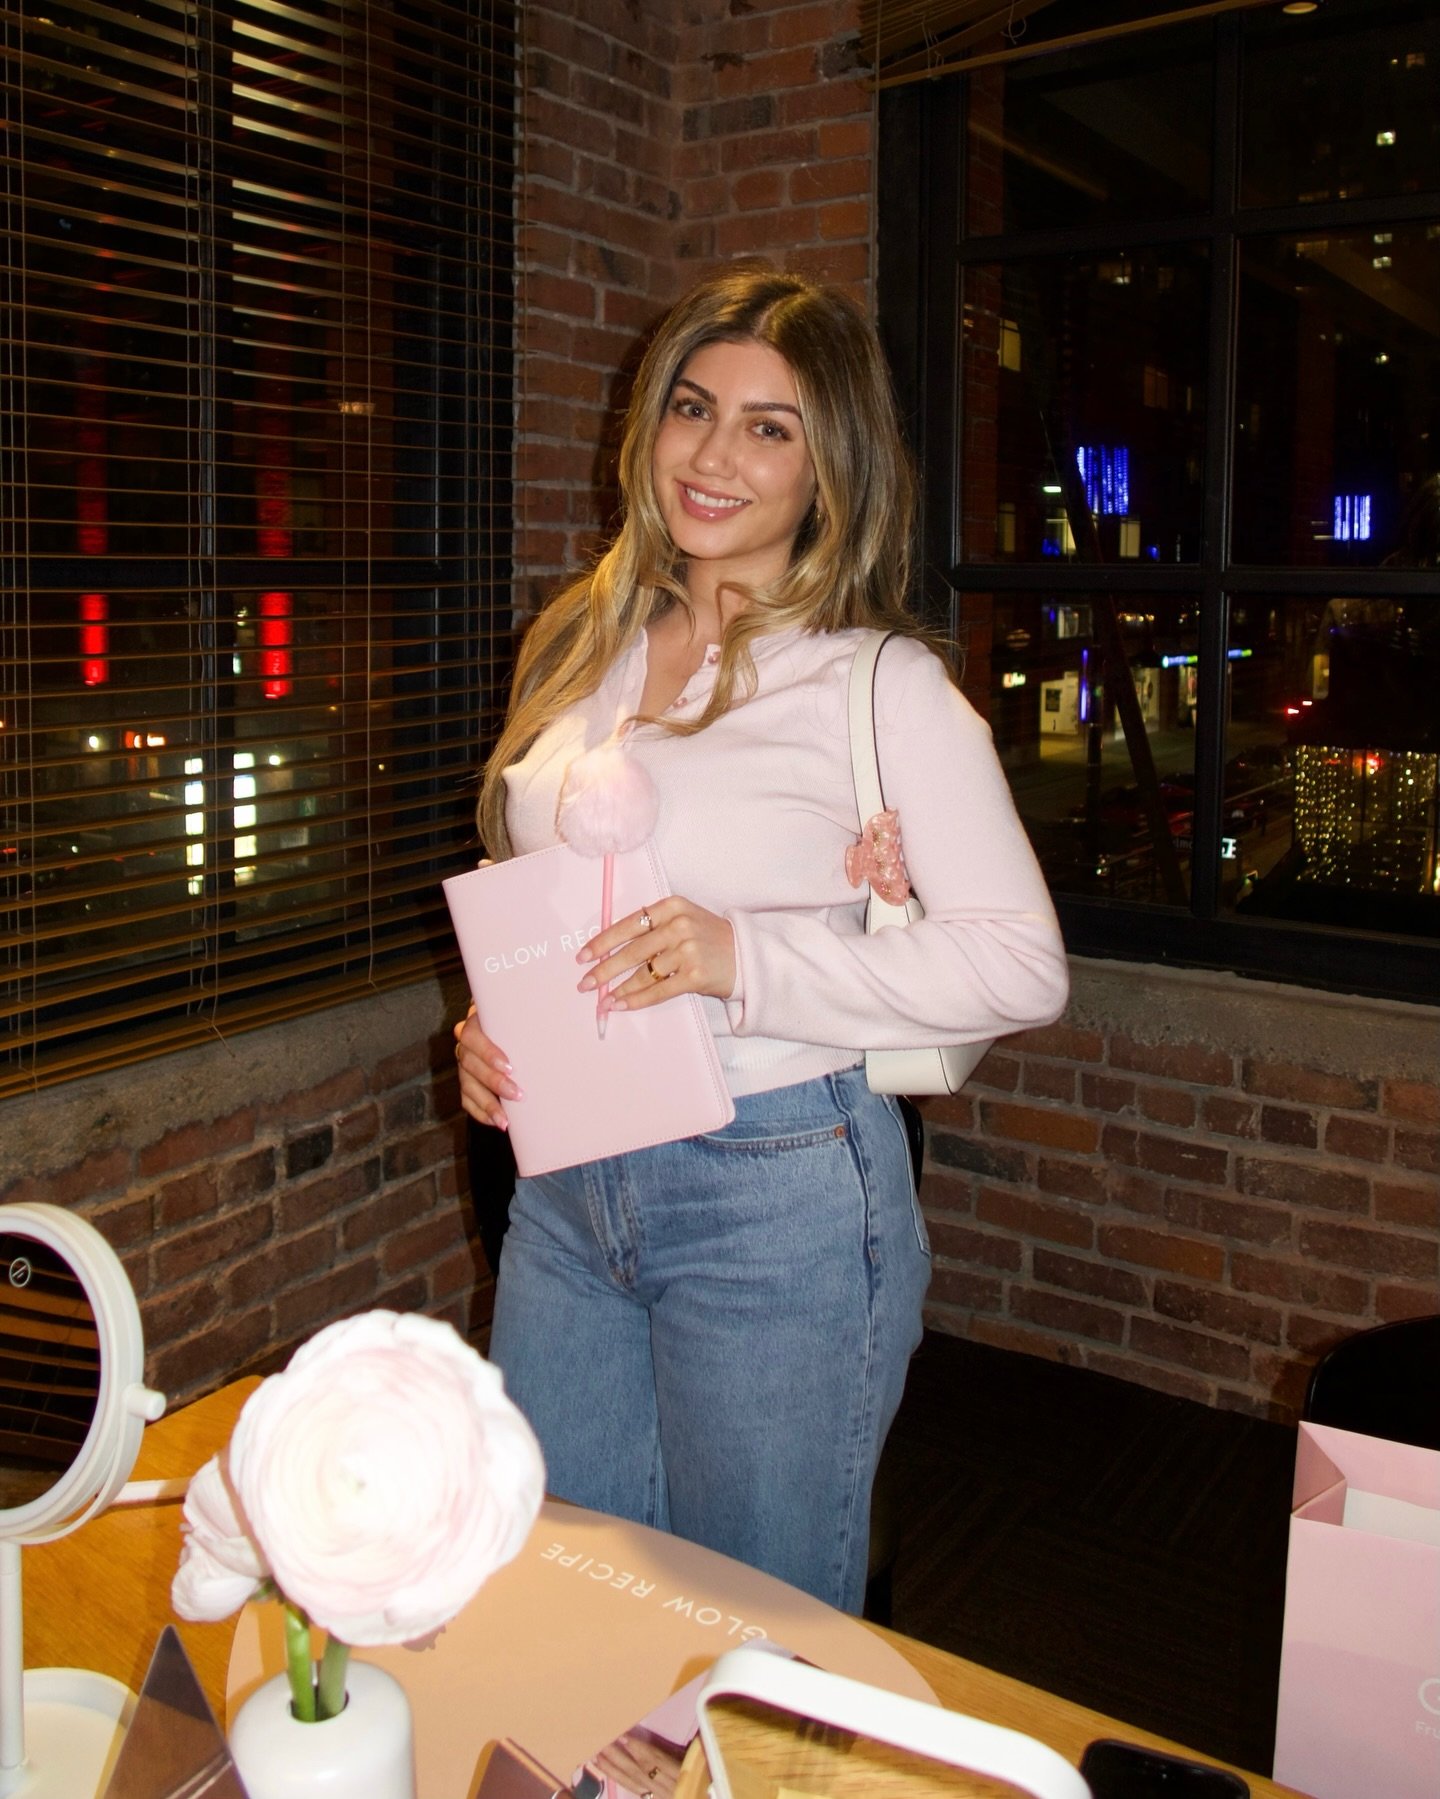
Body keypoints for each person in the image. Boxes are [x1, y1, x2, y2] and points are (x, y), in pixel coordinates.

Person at [454, 267, 1068, 1613]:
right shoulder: (581, 646)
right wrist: (493, 1029)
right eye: (692, 408)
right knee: (562, 1595)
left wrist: (748, 959)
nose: (714, 455)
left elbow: (1022, 961)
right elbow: (538, 889)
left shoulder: (877, 681)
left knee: (752, 1628)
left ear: (828, 469)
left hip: (772, 1187)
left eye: (768, 427)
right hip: (566, 1189)